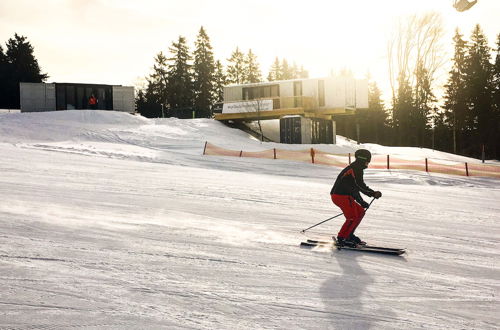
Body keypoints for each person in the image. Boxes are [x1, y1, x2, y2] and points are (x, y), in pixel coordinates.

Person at [330, 149, 382, 247]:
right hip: (341, 196)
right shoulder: (354, 169)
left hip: (345, 196)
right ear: (363, 160)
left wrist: (372, 193)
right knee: (352, 217)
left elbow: (358, 186)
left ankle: (349, 235)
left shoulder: (357, 168)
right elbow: (357, 187)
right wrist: (365, 198)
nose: (368, 163)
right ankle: (342, 238)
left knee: (360, 212)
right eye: (367, 161)